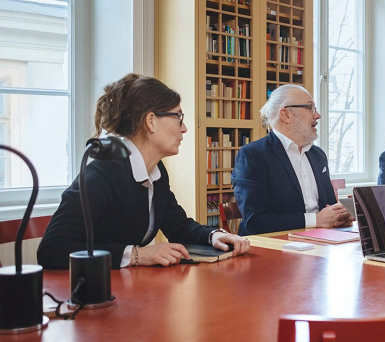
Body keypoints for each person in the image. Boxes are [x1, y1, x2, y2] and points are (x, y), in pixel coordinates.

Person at [38, 74, 250, 269]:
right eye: (178, 117)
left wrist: (213, 235)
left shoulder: (156, 171)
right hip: (92, 292)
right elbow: (52, 249)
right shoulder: (103, 173)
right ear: (151, 121)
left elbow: (177, 226)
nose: (184, 128)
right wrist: (137, 255)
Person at [232, 84, 353, 235]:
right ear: (286, 115)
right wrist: (316, 220)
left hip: (321, 242)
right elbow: (255, 222)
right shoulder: (253, 155)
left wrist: (340, 216)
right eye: (310, 108)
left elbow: (328, 207)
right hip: (273, 247)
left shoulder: (318, 155)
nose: (317, 115)